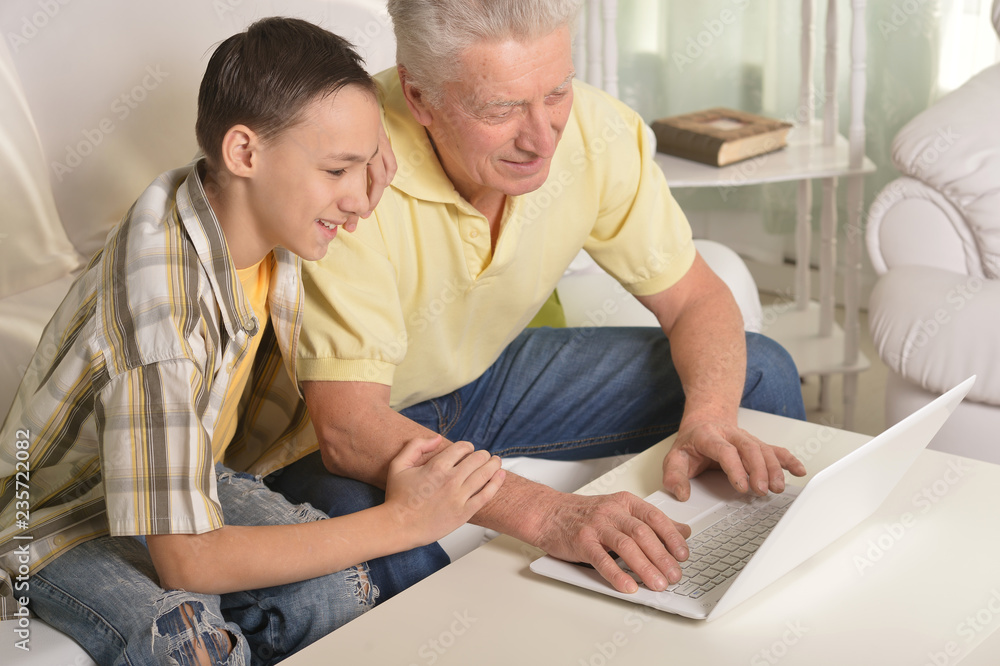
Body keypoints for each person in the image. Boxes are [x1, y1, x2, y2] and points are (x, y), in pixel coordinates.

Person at [0, 17, 504, 665]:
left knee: (337, 591)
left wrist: (354, 155)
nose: (358, 199)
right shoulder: (161, 317)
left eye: (364, 165)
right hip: (60, 511)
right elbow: (187, 558)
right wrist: (405, 520)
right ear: (243, 153)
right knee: (184, 643)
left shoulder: (247, 204)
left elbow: (326, 145)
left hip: (189, 472)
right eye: (337, 170)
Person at [267, 0, 807, 598]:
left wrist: (708, 419)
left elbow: (696, 298)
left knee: (760, 370)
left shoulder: (597, 132)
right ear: (419, 98)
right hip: (345, 425)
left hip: (484, 383)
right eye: (501, 109)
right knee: (367, 555)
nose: (542, 136)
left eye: (556, 93)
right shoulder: (348, 166)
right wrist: (551, 516)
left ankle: (758, 588)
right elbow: (347, 428)